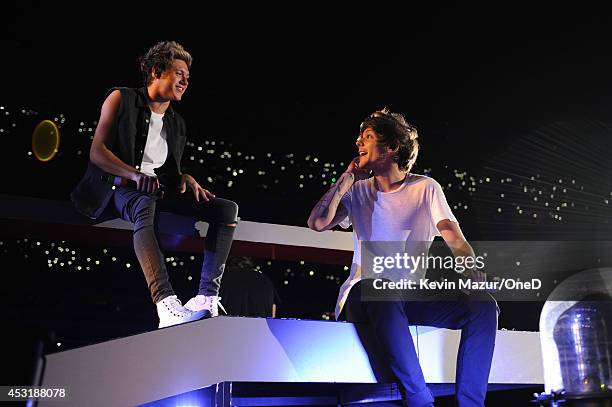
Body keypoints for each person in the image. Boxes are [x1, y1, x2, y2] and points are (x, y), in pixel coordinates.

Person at [307, 109, 498, 407]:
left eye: (368, 136)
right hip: (364, 296)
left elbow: (452, 235)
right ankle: (420, 400)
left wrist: (469, 267)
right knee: (382, 286)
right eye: (360, 136)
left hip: (407, 298)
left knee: (484, 306)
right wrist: (346, 179)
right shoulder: (357, 190)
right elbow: (317, 223)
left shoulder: (425, 188)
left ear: (392, 147)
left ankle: (471, 403)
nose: (359, 141)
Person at [71, 41, 239, 328]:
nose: (186, 81)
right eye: (179, 73)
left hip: (154, 189)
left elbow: (167, 169)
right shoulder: (120, 98)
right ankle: (165, 303)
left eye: (187, 76)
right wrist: (135, 176)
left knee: (226, 210)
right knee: (144, 204)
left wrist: (184, 177)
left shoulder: (177, 123)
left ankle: (205, 297)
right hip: (116, 186)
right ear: (155, 72)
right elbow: (97, 152)